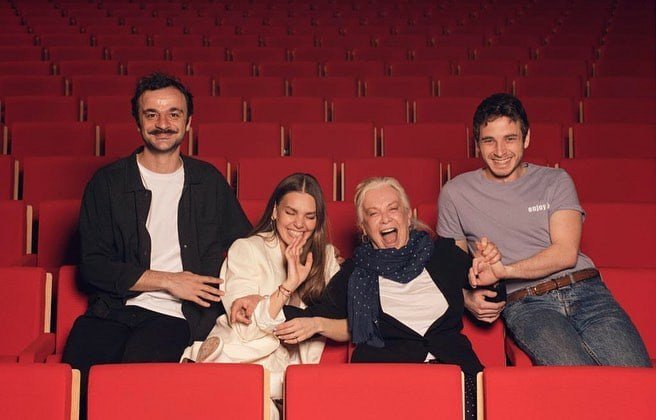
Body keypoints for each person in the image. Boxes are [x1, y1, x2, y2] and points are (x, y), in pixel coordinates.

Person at [62, 73, 251, 415]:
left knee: (135, 398)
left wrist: (315, 251)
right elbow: (92, 266)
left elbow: (247, 245)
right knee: (76, 395)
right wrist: (169, 280)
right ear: (137, 122)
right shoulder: (106, 184)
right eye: (152, 114)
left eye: (173, 114)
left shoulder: (208, 181)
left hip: (175, 317)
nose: (163, 124)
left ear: (188, 122)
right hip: (110, 311)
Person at [438, 92, 651, 367]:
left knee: (637, 376)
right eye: (489, 141)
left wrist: (504, 271)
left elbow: (565, 253)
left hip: (587, 291)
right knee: (577, 378)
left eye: (510, 139)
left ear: (526, 138)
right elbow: (451, 267)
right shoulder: (455, 193)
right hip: (528, 304)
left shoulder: (556, 180)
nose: (500, 151)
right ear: (477, 144)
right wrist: (466, 298)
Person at [278, 177, 501, 420]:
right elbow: (312, 315)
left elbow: (492, 301)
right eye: (373, 213)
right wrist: (265, 302)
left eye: (392, 209)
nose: (385, 219)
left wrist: (492, 278)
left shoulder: (443, 255)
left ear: (408, 216)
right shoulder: (354, 273)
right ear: (364, 227)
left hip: (456, 377)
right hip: (390, 384)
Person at [182, 173, 347, 417]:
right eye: (291, 212)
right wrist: (288, 286)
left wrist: (316, 324)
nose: (299, 224)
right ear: (275, 212)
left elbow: (351, 326)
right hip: (239, 362)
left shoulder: (327, 258)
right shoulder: (247, 249)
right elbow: (246, 329)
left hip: (293, 375)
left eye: (309, 216)